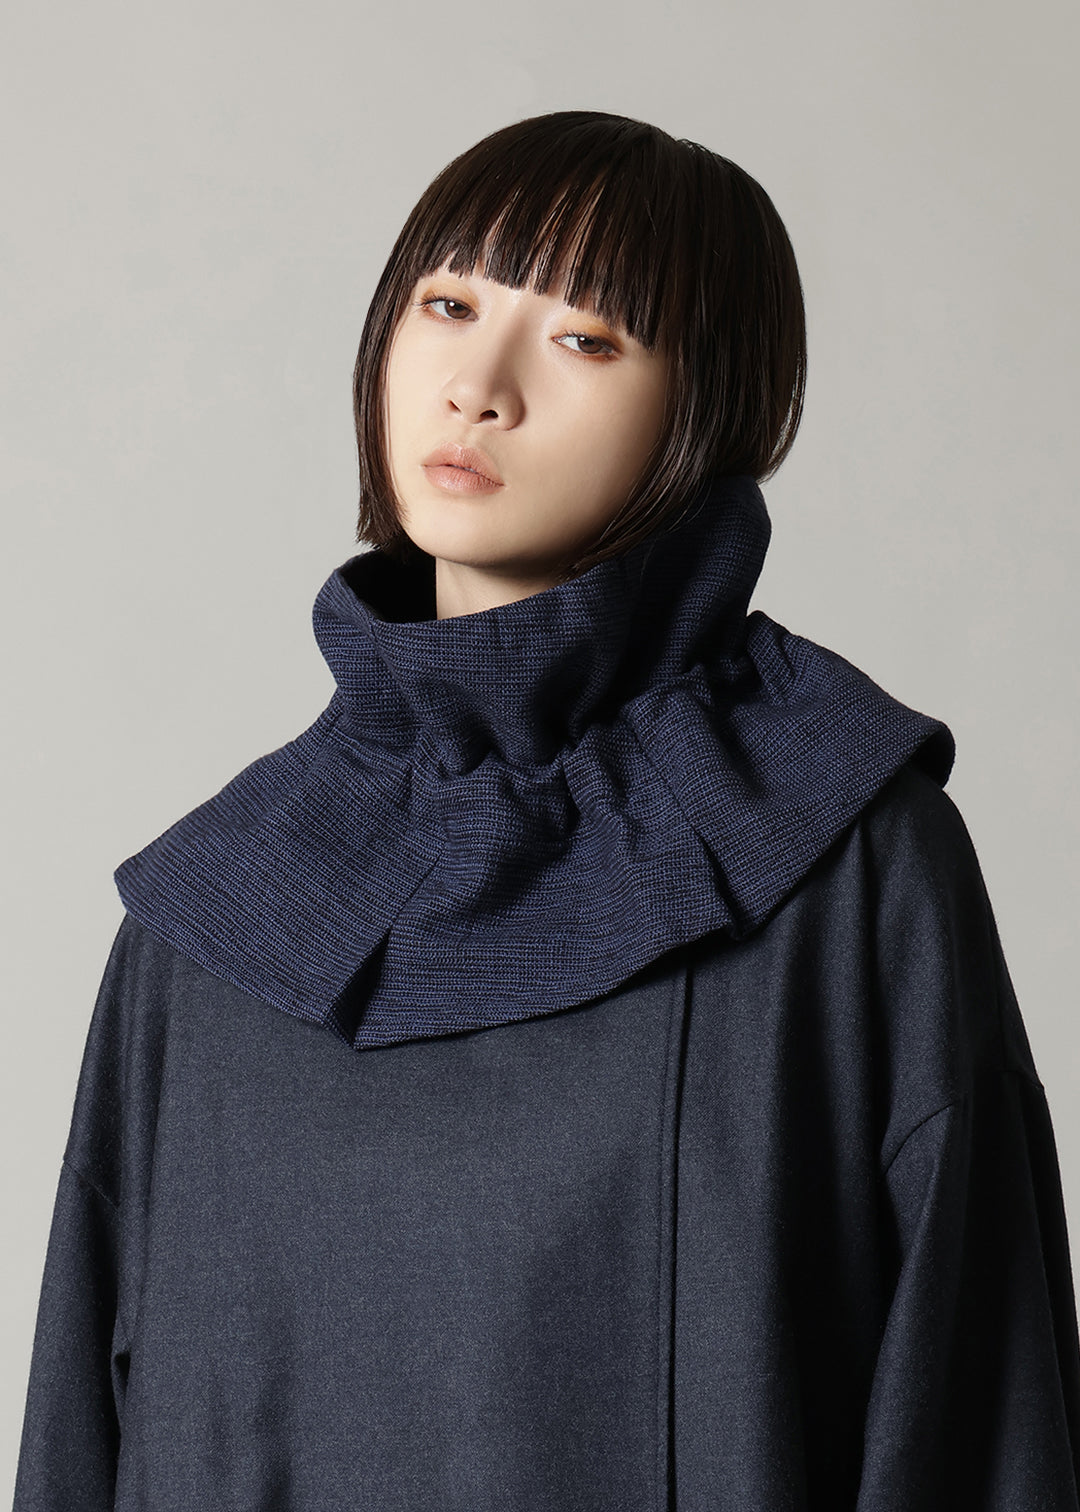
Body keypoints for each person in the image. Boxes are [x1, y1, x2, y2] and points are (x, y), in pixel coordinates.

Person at [12, 108, 1080, 1510]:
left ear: (714, 408)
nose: (479, 387)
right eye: (448, 305)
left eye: (587, 338)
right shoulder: (212, 918)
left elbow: (984, 1429)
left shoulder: (846, 864)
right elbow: (80, 1448)